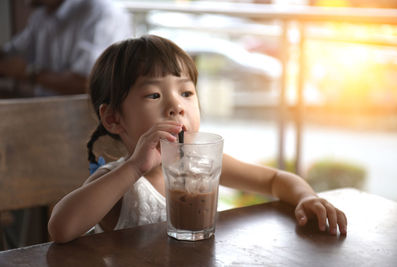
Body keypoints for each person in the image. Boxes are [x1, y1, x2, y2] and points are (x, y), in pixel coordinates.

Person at [48, 35, 347, 243]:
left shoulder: (204, 162)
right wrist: (135, 167)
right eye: (154, 94)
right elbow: (60, 228)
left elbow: (274, 180)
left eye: (186, 93)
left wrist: (307, 197)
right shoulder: (119, 182)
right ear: (114, 118)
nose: (177, 105)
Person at [0, 0, 132, 96]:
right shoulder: (40, 17)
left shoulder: (103, 11)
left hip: (90, 124)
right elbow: (10, 54)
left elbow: (89, 83)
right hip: (48, 118)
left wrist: (30, 73)